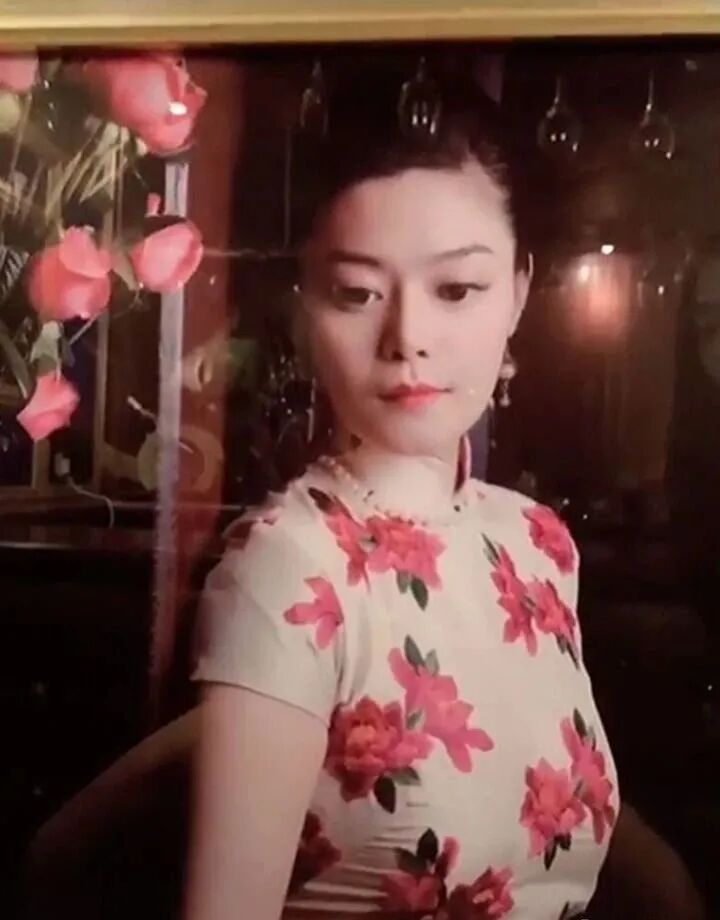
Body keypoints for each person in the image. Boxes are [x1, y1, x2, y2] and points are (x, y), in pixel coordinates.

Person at [182, 79, 618, 920]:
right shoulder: (290, 568)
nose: (408, 337)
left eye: (456, 289)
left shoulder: (536, 542)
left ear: (520, 292)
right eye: (357, 293)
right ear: (306, 308)